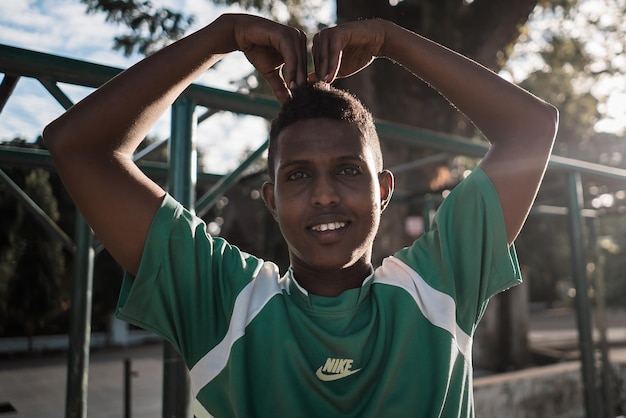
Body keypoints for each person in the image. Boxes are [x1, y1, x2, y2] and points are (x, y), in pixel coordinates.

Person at [43, 13, 558, 418]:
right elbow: (77, 147)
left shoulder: (438, 286)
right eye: (297, 175)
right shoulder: (221, 298)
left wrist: (390, 41)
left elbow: (533, 129)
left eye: (349, 170)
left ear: (384, 191)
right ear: (270, 200)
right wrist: (219, 38)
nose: (325, 195)